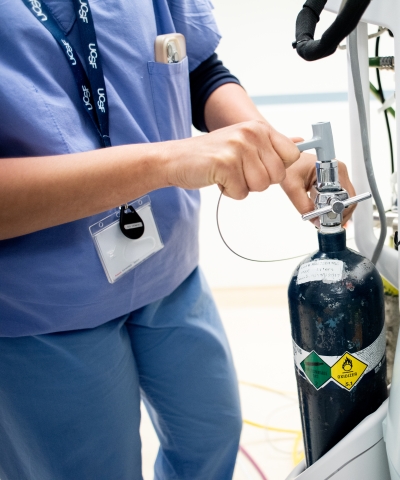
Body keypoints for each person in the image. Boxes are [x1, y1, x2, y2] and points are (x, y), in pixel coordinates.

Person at [0, 0, 356, 478]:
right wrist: (166, 162)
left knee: (211, 436)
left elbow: (196, 68)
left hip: (168, 267)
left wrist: (269, 146)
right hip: (45, 306)